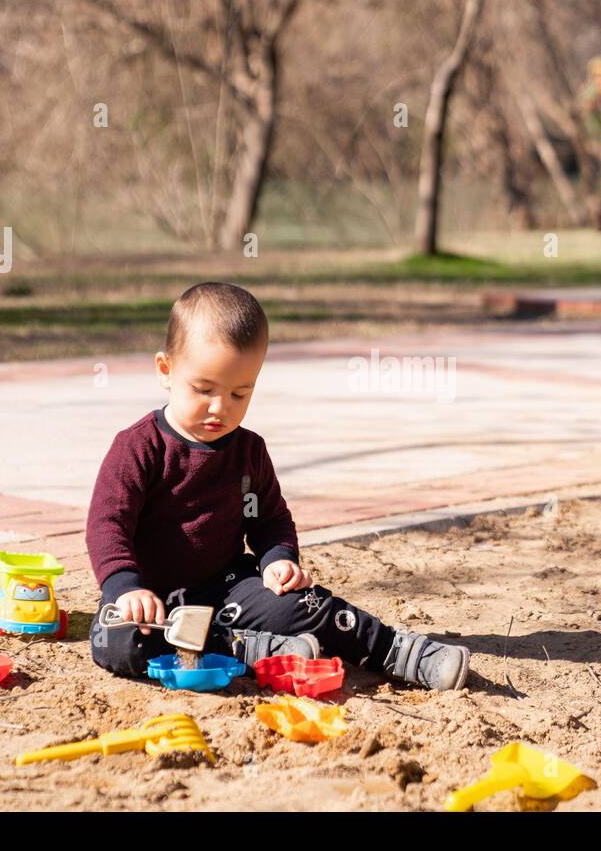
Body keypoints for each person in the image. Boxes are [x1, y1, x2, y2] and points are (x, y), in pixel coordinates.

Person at [86, 281, 471, 691]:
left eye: (240, 392)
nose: (221, 407)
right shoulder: (139, 446)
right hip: (153, 601)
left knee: (307, 604)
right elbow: (107, 524)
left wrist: (277, 559)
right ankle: (252, 650)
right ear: (166, 370)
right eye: (203, 390)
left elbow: (268, 520)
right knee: (116, 643)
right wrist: (125, 588)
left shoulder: (249, 452)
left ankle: (398, 650)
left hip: (230, 591)